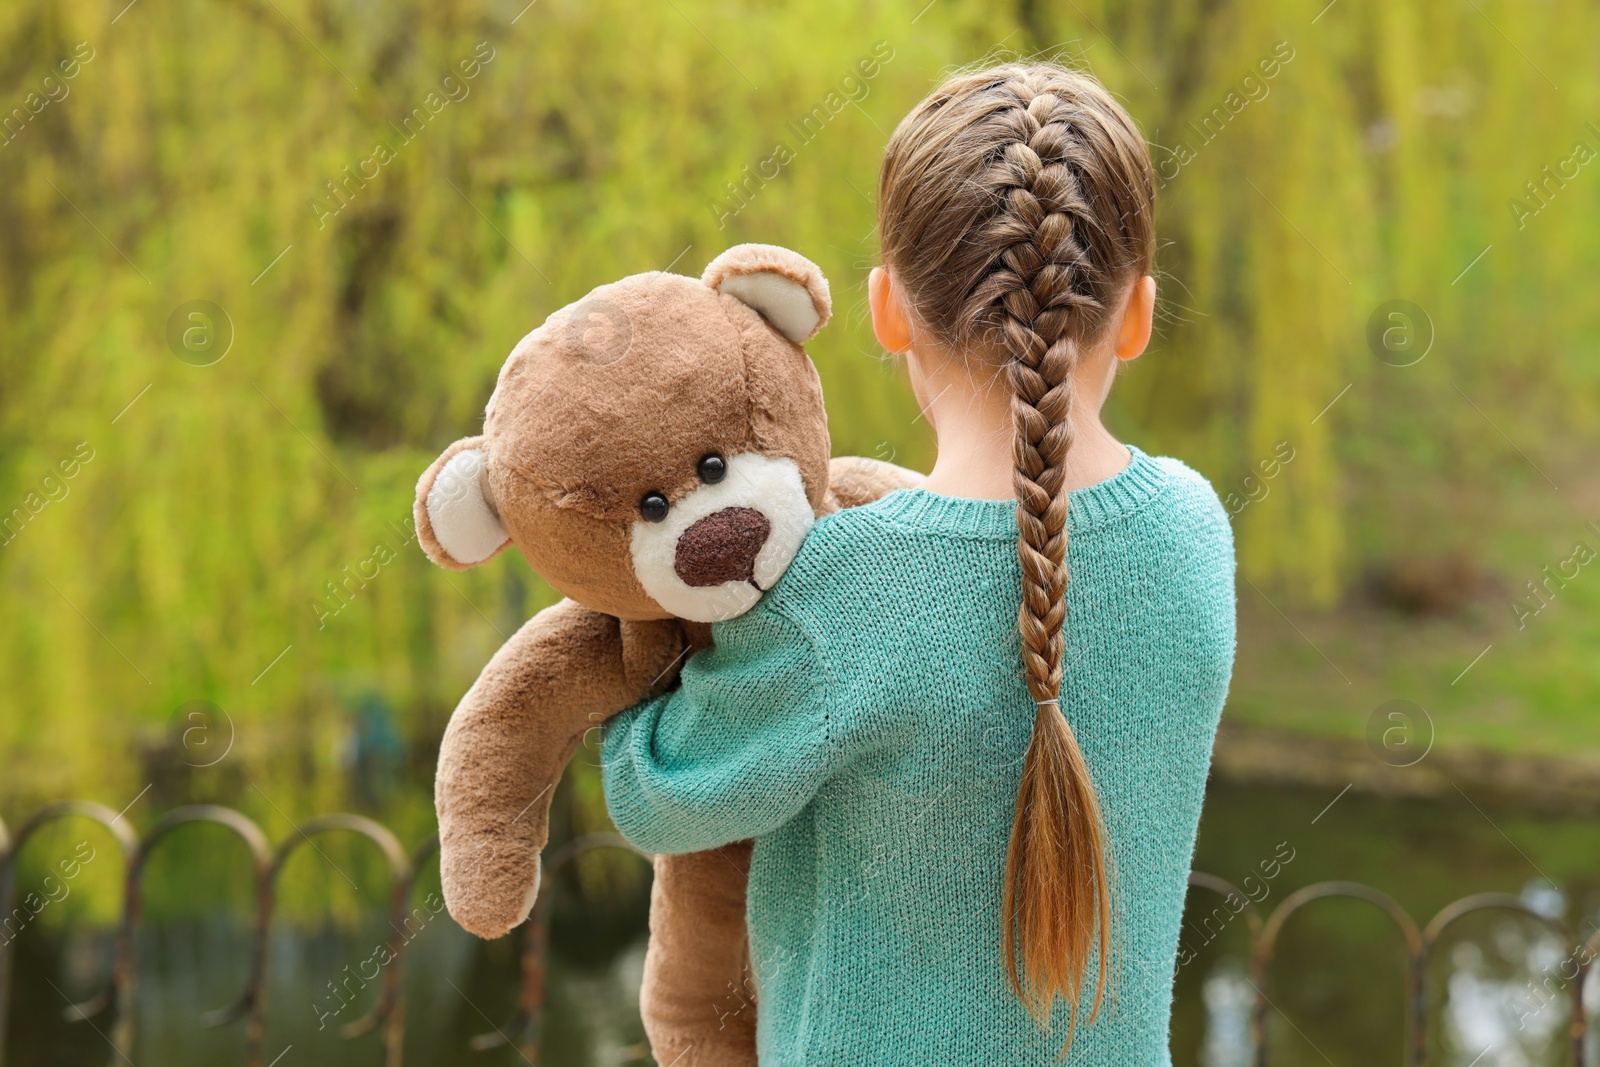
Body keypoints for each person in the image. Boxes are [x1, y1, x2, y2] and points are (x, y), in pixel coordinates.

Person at [603, 60, 1236, 1064]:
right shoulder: (1195, 534)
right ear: (1141, 312)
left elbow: (661, 799)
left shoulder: (835, 592)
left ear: (886, 309)